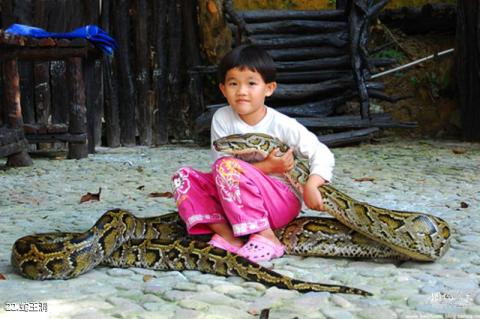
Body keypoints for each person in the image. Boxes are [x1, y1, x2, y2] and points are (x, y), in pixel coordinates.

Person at [171, 44, 334, 262]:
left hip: (278, 202)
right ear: (223, 89)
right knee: (183, 177)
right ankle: (230, 238)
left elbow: (321, 152)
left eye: (251, 83)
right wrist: (267, 167)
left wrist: (313, 184)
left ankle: (267, 238)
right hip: (235, 201)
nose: (241, 91)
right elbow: (221, 168)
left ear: (269, 88)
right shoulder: (222, 118)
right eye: (233, 83)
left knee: (228, 167)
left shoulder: (281, 124)